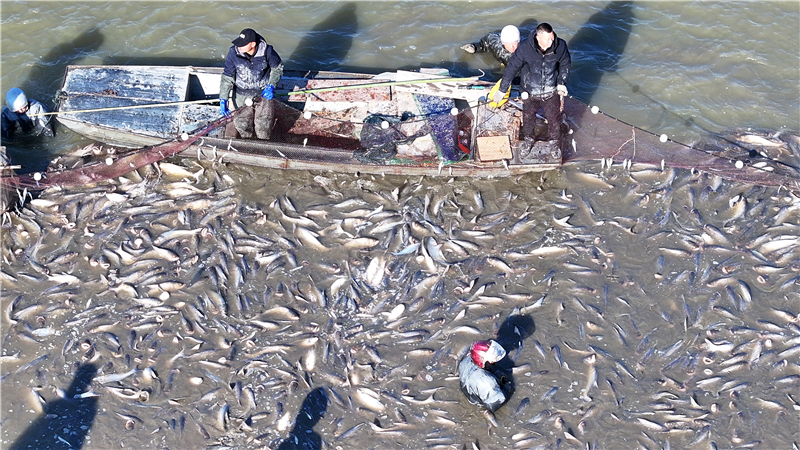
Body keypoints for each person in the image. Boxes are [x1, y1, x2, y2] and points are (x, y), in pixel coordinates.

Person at [493, 23, 570, 149]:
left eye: (552, 38)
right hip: (529, 92)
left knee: (554, 120)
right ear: (538, 38)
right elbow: (512, 68)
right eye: (547, 39)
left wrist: (561, 83)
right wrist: (502, 90)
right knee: (528, 118)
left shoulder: (560, 45)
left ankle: (554, 142)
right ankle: (529, 139)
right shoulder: (524, 48)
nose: (551, 42)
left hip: (551, 91)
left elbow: (565, 64)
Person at [219, 28, 284, 139]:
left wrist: (271, 86)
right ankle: (247, 140)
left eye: (243, 44)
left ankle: (263, 142)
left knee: (263, 124)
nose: (239, 46)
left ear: (253, 44)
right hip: (241, 94)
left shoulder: (268, 51)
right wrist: (223, 98)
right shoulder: (233, 53)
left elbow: (277, 69)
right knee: (242, 123)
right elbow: (227, 77)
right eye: (239, 42)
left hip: (263, 93)